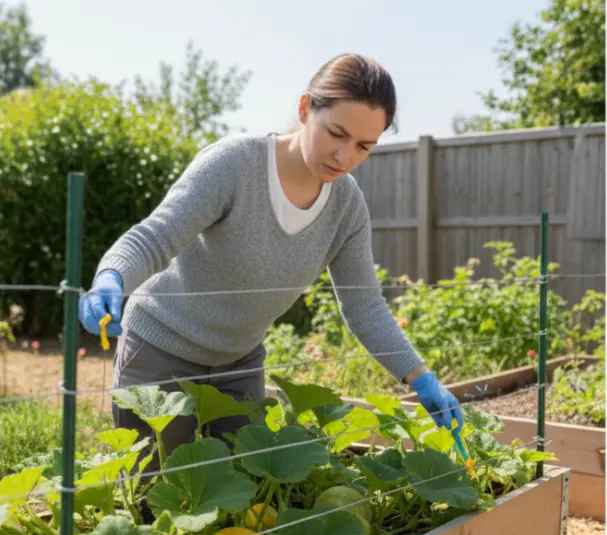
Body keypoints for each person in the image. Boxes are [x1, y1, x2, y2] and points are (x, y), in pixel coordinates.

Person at [77, 53, 464, 477]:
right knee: (155, 497)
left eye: (363, 146)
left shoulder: (346, 207)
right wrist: (111, 277)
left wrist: (421, 378)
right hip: (160, 351)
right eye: (336, 133)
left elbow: (365, 308)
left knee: (242, 499)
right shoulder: (235, 165)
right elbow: (156, 236)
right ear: (304, 110)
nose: (344, 156)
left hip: (238, 366)